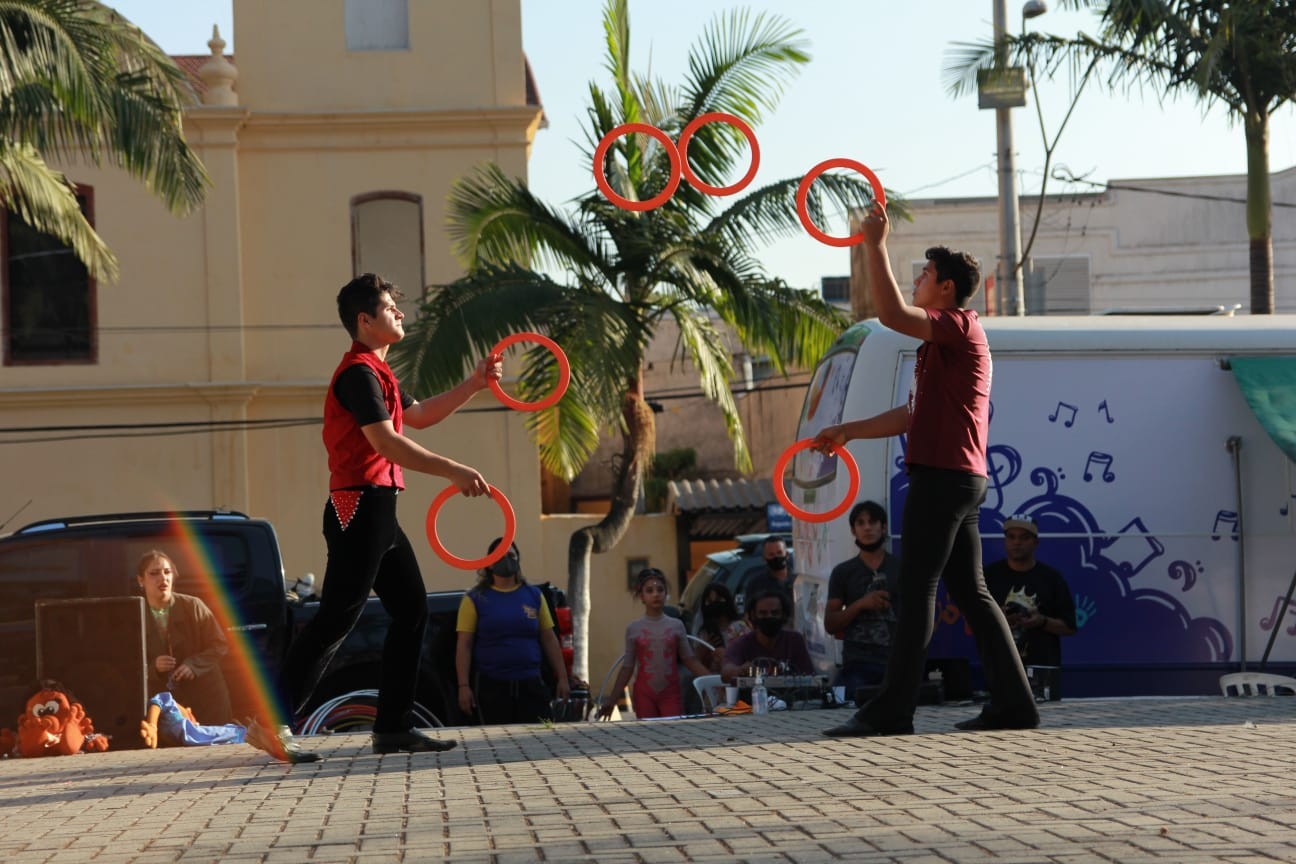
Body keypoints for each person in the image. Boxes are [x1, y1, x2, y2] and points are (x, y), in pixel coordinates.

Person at [250, 273, 501, 763]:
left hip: (381, 510)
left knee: (412, 611)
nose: (400, 313)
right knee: (335, 619)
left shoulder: (380, 375)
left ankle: (392, 728)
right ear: (365, 321)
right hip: (358, 506)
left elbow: (420, 415)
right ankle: (269, 721)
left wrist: (474, 384)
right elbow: (386, 442)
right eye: (390, 307)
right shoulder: (356, 375)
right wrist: (453, 470)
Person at [816, 201, 1037, 737]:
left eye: (925, 275)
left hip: (943, 479)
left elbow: (890, 316)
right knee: (972, 592)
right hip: (955, 479)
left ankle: (892, 711)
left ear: (945, 290)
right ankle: (1014, 706)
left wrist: (875, 242)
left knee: (917, 592)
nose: (917, 280)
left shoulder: (959, 327)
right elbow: (909, 415)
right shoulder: (939, 346)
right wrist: (847, 430)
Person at [455, 539, 571, 724]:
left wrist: (563, 678)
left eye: (511, 555)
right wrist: (463, 686)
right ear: (490, 563)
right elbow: (464, 645)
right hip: (491, 688)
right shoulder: (474, 599)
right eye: (500, 556)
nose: (506, 560)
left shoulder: (534, 596)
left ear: (518, 560)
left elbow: (549, 639)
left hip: (531, 685)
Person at [136, 550, 234, 727]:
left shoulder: (193, 605)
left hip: (207, 695)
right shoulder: (135, 614)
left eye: (167, 572)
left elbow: (219, 644)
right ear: (140, 580)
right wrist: (153, 667)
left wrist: (193, 665)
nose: (162, 578)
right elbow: (126, 663)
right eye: (154, 573)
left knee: (215, 747)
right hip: (165, 703)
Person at [598, 568, 710, 720]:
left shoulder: (676, 625)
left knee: (674, 732)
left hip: (671, 692)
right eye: (649, 590)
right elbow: (627, 667)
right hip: (644, 694)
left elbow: (690, 660)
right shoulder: (634, 629)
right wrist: (611, 702)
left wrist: (713, 681)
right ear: (641, 596)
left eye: (660, 590)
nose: (656, 594)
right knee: (647, 735)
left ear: (666, 594)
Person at [983, 516, 1077, 685]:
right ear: (1005, 541)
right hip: (999, 669)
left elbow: (1069, 627)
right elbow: (972, 622)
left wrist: (1041, 622)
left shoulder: (1052, 578)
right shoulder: (988, 576)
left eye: (1024, 537)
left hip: (1042, 672)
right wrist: (999, 618)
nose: (1016, 542)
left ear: (1035, 542)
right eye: (1011, 537)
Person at [825, 501, 901, 697]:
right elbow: (830, 624)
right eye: (860, 523)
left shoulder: (901, 569)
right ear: (853, 530)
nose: (867, 527)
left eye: (873, 522)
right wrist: (860, 604)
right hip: (857, 664)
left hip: (895, 663)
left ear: (883, 527)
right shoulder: (843, 573)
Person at [720, 589, 813, 683]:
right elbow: (726, 672)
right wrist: (740, 670)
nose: (769, 617)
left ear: (783, 615)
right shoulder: (742, 644)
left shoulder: (794, 640)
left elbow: (810, 676)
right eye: (763, 613)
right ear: (753, 615)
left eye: (775, 613)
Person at [694, 583, 750, 674]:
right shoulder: (704, 632)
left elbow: (748, 657)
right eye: (709, 601)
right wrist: (704, 649)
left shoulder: (739, 628)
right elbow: (695, 662)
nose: (714, 604)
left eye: (718, 600)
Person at [742, 535, 795, 614]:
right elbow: (749, 614)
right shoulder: (756, 584)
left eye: (779, 553)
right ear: (764, 558)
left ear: (787, 555)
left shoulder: (798, 580)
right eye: (771, 554)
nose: (776, 557)